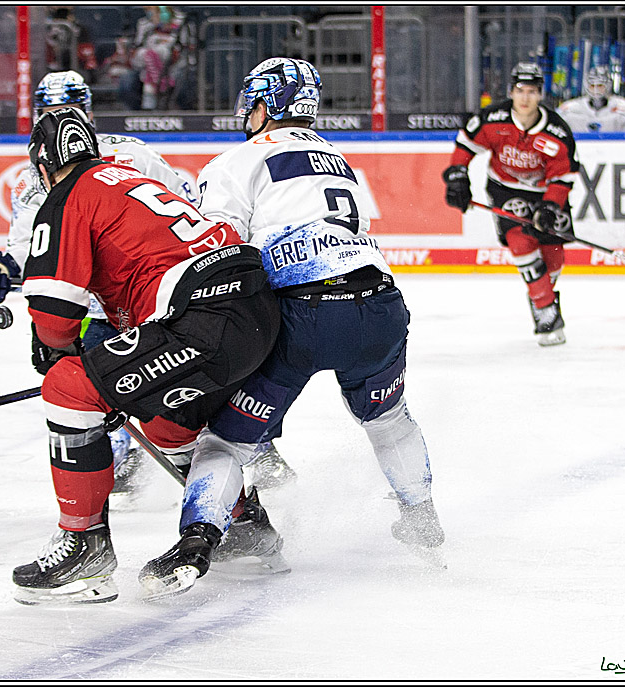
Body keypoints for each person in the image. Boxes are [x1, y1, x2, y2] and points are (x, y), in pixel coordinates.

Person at [139, 57, 444, 599]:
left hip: (302, 315)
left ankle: (196, 544)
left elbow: (215, 249)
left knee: (225, 442)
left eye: (252, 102)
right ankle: (421, 519)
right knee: (389, 419)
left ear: (265, 105)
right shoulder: (337, 159)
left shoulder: (236, 161)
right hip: (380, 307)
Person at [0, 70, 296, 495]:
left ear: (86, 111)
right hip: (98, 306)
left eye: (67, 109)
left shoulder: (132, 154)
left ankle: (248, 447)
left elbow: (185, 212)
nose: (58, 117)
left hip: (160, 298)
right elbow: (27, 250)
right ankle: (190, 486)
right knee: (123, 399)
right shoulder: (33, 179)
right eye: (49, 110)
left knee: (157, 388)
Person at [8, 106, 282, 604]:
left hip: (203, 318)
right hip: (253, 309)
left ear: (44, 165)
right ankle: (243, 525)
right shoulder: (125, 177)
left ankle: (84, 546)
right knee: (165, 422)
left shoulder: (68, 196)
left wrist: (61, 357)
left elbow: (55, 319)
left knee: (68, 388)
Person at [442, 62, 579, 346]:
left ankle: (544, 294)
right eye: (519, 91)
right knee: (521, 242)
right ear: (511, 92)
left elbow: (563, 177)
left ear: (541, 94)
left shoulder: (557, 131)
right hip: (505, 190)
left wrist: (551, 207)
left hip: (544, 193)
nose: (525, 98)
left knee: (553, 257)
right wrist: (458, 178)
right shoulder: (494, 118)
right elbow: (465, 144)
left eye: (531, 91)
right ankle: (544, 308)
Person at [557, 65, 625, 133]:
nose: (596, 90)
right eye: (592, 86)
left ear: (608, 85)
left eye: (600, 86)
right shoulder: (568, 109)